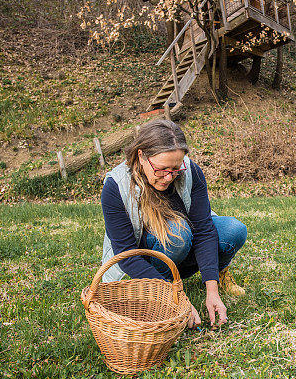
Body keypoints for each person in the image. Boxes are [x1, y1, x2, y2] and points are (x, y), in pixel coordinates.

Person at [100, 119, 247, 328]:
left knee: (234, 230)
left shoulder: (190, 171)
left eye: (175, 168)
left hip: (185, 249)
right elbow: (127, 256)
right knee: (178, 233)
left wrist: (211, 291)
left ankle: (218, 274)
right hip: (149, 263)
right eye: (161, 169)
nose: (169, 177)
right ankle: (163, 293)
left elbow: (204, 230)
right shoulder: (116, 187)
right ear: (141, 156)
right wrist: (179, 300)